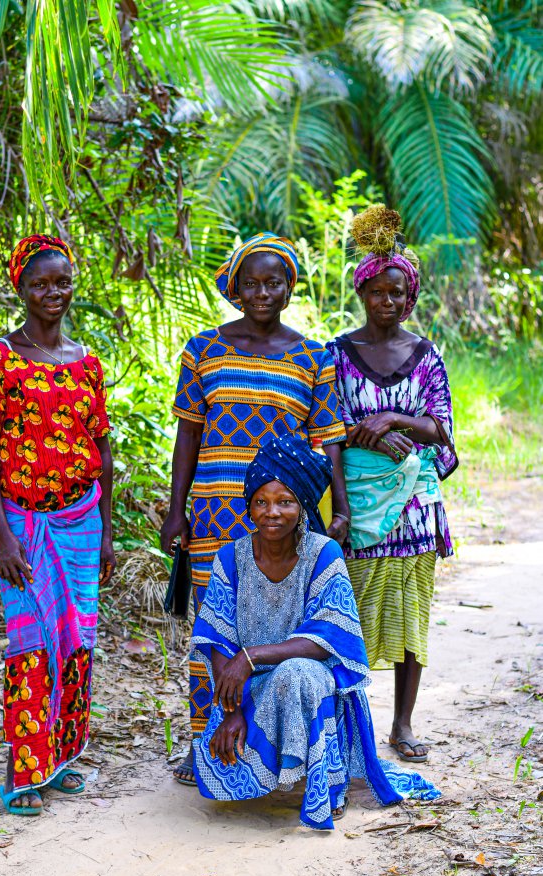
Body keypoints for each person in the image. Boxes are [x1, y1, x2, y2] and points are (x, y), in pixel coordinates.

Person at [160, 233, 351, 784]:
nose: (262, 292)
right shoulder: (203, 349)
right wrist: (177, 511)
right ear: (236, 289)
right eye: (252, 282)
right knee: (216, 628)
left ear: (290, 289)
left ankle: (281, 744)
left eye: (273, 282)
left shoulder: (313, 357)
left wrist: (339, 510)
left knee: (278, 627)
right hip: (216, 511)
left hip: (284, 518)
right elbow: (187, 436)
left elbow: (330, 440)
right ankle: (206, 745)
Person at [191, 436, 439, 830]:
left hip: (313, 683)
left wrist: (250, 656)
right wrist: (231, 713)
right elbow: (216, 639)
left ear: (303, 506)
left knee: (298, 673)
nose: (272, 512)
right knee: (220, 774)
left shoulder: (324, 553)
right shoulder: (230, 558)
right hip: (250, 689)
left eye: (285, 501)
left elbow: (329, 638)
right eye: (261, 501)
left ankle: (329, 782)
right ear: (249, 506)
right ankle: (278, 763)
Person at [0, 234, 116, 815]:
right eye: (40, 284)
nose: (53, 293)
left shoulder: (87, 364)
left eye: (61, 282)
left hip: (81, 519)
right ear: (20, 289)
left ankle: (59, 759)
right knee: (31, 642)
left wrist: (105, 532)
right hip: (23, 524)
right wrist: (0, 534)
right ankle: (19, 770)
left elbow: (102, 452)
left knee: (76, 640)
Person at [327, 205, 458, 764]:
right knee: (346, 614)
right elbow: (327, 431)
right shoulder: (335, 354)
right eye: (379, 291)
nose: (389, 301)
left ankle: (402, 726)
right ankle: (346, 730)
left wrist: (397, 421)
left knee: (410, 616)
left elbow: (443, 431)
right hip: (358, 508)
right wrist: (368, 436)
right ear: (363, 293)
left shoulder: (426, 355)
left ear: (411, 296)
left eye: (399, 292)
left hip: (415, 509)